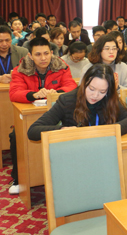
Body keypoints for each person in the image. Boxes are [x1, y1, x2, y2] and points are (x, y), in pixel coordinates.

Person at [8, 37, 78, 194]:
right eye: (38, 54)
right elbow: (14, 93)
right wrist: (34, 94)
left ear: (51, 53)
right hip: (30, 116)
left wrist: (56, 93)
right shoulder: (21, 69)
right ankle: (18, 178)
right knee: (16, 136)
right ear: (30, 55)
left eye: (46, 53)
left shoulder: (61, 66)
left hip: (58, 114)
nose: (43, 58)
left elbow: (71, 86)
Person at [27, 63, 127, 140]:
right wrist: (61, 130)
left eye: (102, 91)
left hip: (101, 148)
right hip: (75, 150)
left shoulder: (109, 98)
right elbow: (33, 131)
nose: (95, 95)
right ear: (84, 83)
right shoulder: (67, 100)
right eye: (91, 89)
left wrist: (107, 131)